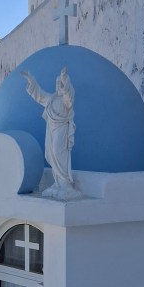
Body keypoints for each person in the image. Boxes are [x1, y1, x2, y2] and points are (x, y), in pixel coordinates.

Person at [22, 67, 81, 199]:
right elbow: (40, 95)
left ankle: (65, 183)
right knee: (52, 154)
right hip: (51, 130)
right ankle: (58, 183)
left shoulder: (66, 100)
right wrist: (32, 81)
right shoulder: (52, 98)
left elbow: (69, 95)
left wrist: (64, 79)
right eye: (57, 83)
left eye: (60, 83)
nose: (58, 85)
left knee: (58, 152)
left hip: (62, 128)